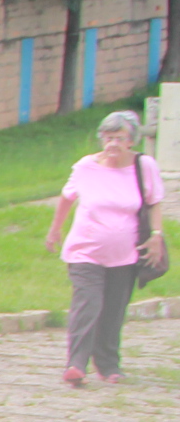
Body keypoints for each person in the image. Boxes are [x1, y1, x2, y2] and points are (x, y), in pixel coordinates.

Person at [46, 108, 164, 385]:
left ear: (131, 140)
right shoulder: (86, 167)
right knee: (88, 304)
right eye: (107, 137)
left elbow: (154, 201)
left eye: (119, 138)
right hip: (84, 250)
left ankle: (109, 365)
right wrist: (55, 229)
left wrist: (157, 235)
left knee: (113, 309)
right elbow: (66, 198)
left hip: (124, 253)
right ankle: (75, 364)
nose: (113, 144)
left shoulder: (143, 166)